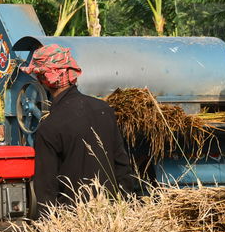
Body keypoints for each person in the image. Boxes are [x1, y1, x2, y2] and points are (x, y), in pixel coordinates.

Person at [23, 43, 140, 214]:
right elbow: (122, 166)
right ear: (73, 74)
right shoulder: (104, 109)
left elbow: (46, 190)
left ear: (43, 80)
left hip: (73, 222)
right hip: (111, 215)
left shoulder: (49, 127)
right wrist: (126, 210)